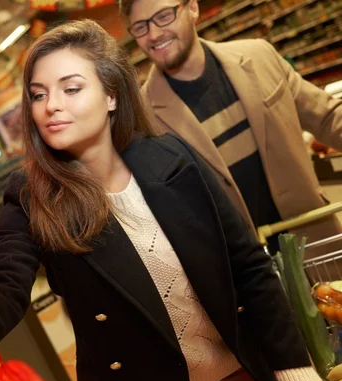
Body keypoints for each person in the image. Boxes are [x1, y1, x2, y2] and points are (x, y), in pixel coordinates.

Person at [0, 20, 334, 381]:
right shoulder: (31, 194)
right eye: (39, 95)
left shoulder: (171, 158)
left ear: (112, 95)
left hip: (245, 375)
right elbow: (2, 294)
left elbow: (248, 269)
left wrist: (299, 379)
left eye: (71, 89)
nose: (51, 106)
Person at [119, 0, 342, 253]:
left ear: (192, 7)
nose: (154, 34)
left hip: (319, 245)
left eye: (163, 16)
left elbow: (327, 117)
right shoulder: (143, 119)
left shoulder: (259, 57)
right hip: (242, 276)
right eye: (140, 26)